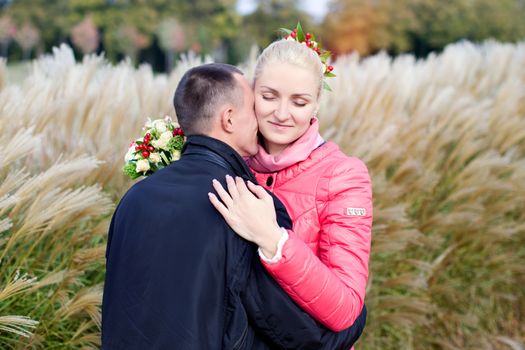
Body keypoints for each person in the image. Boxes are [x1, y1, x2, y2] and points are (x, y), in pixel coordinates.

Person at [102, 63, 366, 349]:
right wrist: (354, 320)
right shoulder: (242, 201)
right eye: (255, 106)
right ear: (228, 119)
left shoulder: (134, 199)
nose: (267, 118)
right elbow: (291, 330)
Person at [209, 34, 373, 335]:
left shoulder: (344, 176)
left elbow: (346, 309)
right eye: (269, 96)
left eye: (299, 102)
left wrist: (273, 239)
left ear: (316, 105)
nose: (282, 114)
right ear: (249, 95)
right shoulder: (223, 164)